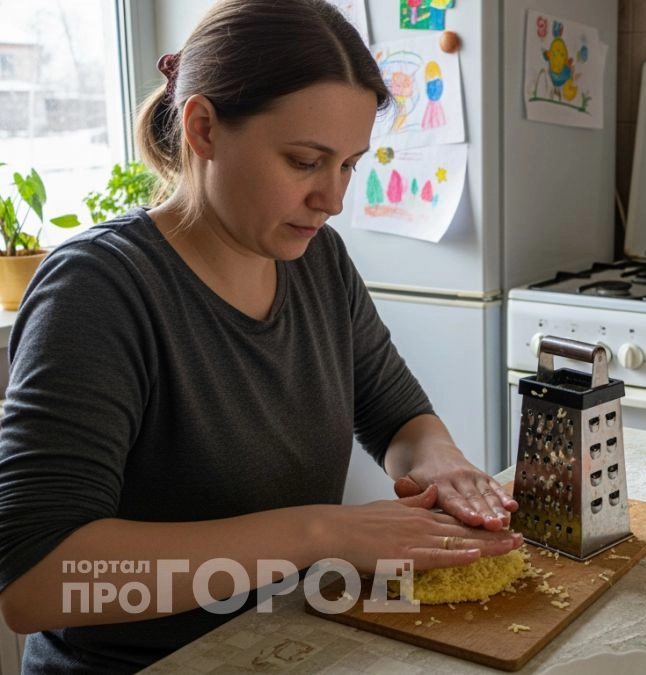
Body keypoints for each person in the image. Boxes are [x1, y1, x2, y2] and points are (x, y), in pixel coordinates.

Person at [0, 1, 522, 672]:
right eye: (306, 161)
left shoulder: (318, 262)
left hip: (284, 646)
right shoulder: (98, 291)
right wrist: (319, 532)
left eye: (349, 166)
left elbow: (398, 417)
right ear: (204, 127)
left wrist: (440, 459)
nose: (332, 199)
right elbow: (38, 582)